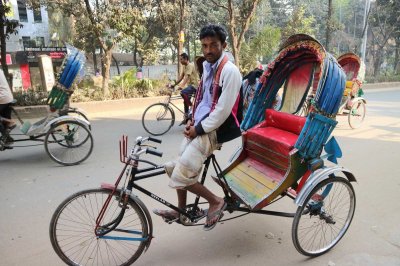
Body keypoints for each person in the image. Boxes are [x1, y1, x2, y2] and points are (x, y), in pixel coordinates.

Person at [153, 24, 242, 231]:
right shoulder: (208, 67)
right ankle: (181, 210)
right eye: (204, 46)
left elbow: (222, 110)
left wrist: (199, 129)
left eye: (213, 45)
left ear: (224, 45)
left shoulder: (230, 71)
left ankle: (215, 201)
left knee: (181, 174)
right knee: (172, 168)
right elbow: (202, 100)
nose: (208, 50)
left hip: (214, 131)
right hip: (200, 126)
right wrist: (191, 120)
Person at [174, 53, 199, 123]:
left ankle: (191, 107)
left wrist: (181, 86)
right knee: (185, 100)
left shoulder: (190, 65)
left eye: (181, 59)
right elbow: (181, 77)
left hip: (195, 86)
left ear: (185, 59)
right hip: (190, 86)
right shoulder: (184, 67)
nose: (180, 61)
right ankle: (187, 116)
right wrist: (174, 84)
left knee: (183, 92)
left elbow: (187, 77)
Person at [0, 70, 16, 143]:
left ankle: (10, 123)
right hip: (7, 97)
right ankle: (7, 138)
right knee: (4, 118)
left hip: (2, 98)